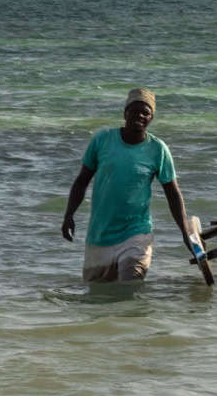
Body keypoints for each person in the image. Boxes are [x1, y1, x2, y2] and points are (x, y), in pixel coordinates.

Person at [60, 87, 201, 282]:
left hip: (136, 233)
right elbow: (81, 181)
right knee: (98, 298)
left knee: (130, 283)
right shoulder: (102, 140)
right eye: (134, 111)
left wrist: (185, 232)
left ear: (151, 118)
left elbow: (172, 193)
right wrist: (69, 215)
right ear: (125, 113)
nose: (140, 116)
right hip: (100, 236)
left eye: (146, 112)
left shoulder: (158, 149)